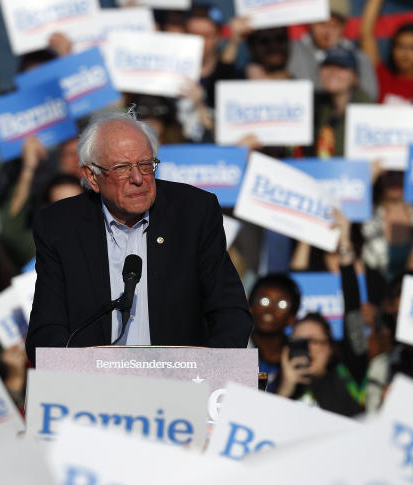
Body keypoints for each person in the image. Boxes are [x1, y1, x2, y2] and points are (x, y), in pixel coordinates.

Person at [25, 111, 252, 364]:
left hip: (180, 385)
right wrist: (78, 380)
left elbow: (230, 313)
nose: (137, 179)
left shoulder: (194, 212)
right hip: (96, 391)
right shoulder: (60, 225)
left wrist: (208, 374)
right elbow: (47, 330)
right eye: (122, 168)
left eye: (145, 165)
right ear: (92, 176)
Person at [248, 274, 302, 390]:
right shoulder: (233, 349)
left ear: (292, 318)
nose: (270, 310)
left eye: (281, 304)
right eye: (264, 301)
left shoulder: (299, 358)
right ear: (250, 308)